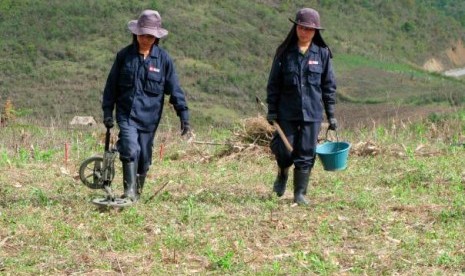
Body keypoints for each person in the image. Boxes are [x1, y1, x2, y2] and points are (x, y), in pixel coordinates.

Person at [102, 10, 191, 202]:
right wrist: (108, 112)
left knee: (144, 158)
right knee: (130, 149)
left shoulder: (164, 60)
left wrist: (183, 115)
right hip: (126, 115)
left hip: (150, 119)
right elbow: (111, 87)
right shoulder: (124, 56)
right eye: (142, 35)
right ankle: (129, 192)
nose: (145, 39)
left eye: (150, 36)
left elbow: (174, 89)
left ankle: (137, 193)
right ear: (136, 34)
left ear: (156, 37)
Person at [266, 8, 337, 205]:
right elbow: (273, 84)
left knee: (306, 151)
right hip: (286, 111)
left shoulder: (322, 53)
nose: (304, 32)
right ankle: (282, 173)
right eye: (301, 27)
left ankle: (299, 194)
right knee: (285, 151)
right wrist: (272, 109)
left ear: (315, 31)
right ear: (296, 27)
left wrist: (331, 114)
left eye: (309, 29)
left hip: (312, 112)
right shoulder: (284, 53)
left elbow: (328, 86)